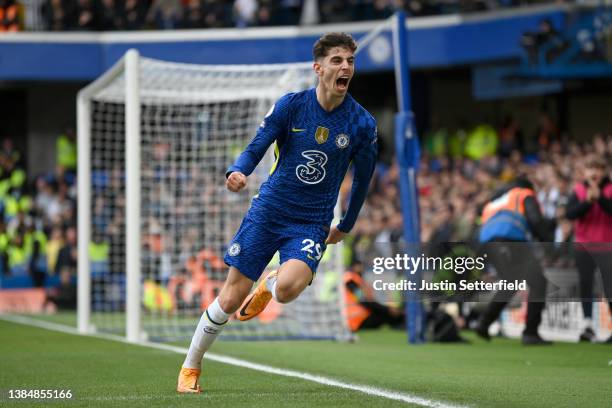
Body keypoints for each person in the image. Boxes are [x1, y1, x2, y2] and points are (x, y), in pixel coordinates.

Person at [177, 32, 378, 393]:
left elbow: (363, 179)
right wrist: (237, 171)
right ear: (318, 68)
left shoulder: (362, 124)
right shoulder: (292, 105)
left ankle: (269, 284)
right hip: (269, 211)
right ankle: (191, 366)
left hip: (311, 221)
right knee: (229, 299)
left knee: (287, 290)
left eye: (350, 60)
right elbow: (257, 144)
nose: (345, 66)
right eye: (337, 60)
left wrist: (345, 224)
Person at [475, 177, 555, 345]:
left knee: (510, 282)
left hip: (487, 244)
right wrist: (549, 245)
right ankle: (531, 333)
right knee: (539, 282)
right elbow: (536, 220)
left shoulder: (495, 201)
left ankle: (484, 323)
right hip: (510, 239)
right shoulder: (524, 193)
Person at [565, 156, 612, 343]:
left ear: (604, 171)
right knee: (585, 285)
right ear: (584, 172)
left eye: (598, 169)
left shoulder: (609, 189)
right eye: (591, 169)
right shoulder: (578, 190)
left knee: (609, 286)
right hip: (584, 246)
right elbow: (571, 213)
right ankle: (587, 324)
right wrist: (587, 202)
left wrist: (599, 198)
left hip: (607, 245)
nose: (595, 173)